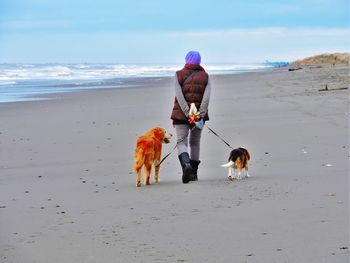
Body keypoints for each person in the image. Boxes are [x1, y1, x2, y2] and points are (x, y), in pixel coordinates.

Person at [170, 51, 211, 183]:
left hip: (181, 115)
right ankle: (193, 174)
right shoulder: (205, 76)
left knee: (181, 141)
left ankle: (186, 165)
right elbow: (206, 98)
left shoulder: (178, 74)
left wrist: (188, 113)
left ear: (187, 60)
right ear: (199, 61)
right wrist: (200, 115)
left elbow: (179, 96)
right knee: (195, 143)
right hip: (199, 116)